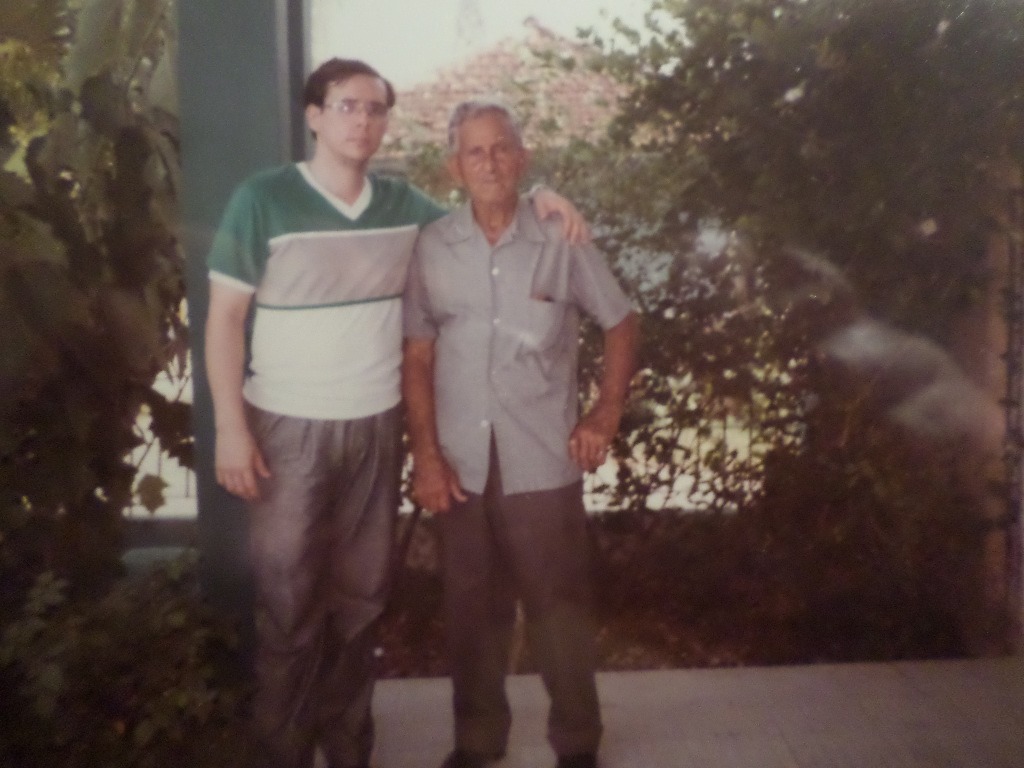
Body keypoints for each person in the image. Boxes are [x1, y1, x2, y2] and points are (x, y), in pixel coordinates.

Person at [205, 59, 589, 768]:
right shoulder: (262, 199)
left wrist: (542, 197)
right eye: (347, 106)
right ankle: (282, 753)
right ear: (314, 116)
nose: (364, 121)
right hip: (287, 428)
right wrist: (230, 426)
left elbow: (483, 214)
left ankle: (349, 751)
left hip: (376, 427)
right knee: (288, 604)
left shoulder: (400, 207)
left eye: (376, 109)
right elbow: (225, 319)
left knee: (360, 602)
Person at [402, 100, 639, 768]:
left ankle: (577, 744)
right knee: (472, 614)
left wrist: (605, 412)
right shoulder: (432, 246)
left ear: (522, 157)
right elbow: (417, 354)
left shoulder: (560, 238)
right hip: (459, 462)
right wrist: (424, 454)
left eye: (502, 147)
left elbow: (620, 323)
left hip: (541, 457)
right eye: (474, 151)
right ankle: (477, 744)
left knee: (558, 612)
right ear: (455, 165)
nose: (489, 162)